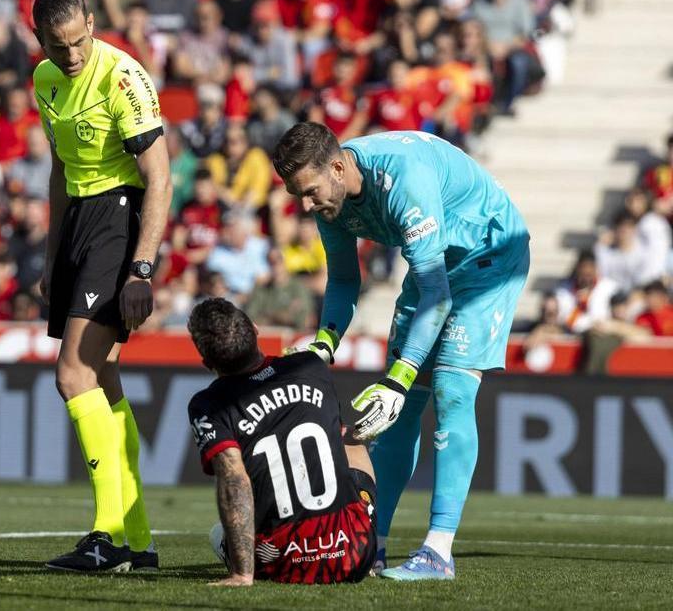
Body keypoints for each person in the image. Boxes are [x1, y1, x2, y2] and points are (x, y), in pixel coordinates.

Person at [271, 123, 531, 580]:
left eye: (310, 193)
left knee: (450, 390)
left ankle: (438, 552)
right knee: (398, 411)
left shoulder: (402, 179)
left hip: (488, 254)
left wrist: (398, 375)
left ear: (337, 167)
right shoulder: (328, 193)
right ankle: (376, 545)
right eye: (299, 197)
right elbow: (345, 280)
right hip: (433, 264)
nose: (307, 206)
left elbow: (437, 294)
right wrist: (325, 344)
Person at [32, 0, 172, 572]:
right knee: (103, 377)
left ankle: (106, 535)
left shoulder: (125, 79)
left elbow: (160, 179)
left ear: (93, 23)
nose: (72, 55)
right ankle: (135, 540)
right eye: (58, 46)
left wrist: (142, 268)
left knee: (73, 375)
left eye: (79, 40)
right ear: (39, 40)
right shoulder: (45, 80)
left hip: (120, 217)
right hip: (80, 226)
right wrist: (50, 255)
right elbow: (61, 170)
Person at [185, 298, 378, 586]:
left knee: (219, 528)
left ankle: (246, 566)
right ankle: (368, 535)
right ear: (255, 329)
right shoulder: (312, 366)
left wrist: (241, 574)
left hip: (284, 562)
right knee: (348, 437)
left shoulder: (207, 404)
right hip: (354, 554)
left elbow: (234, 481)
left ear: (206, 362)